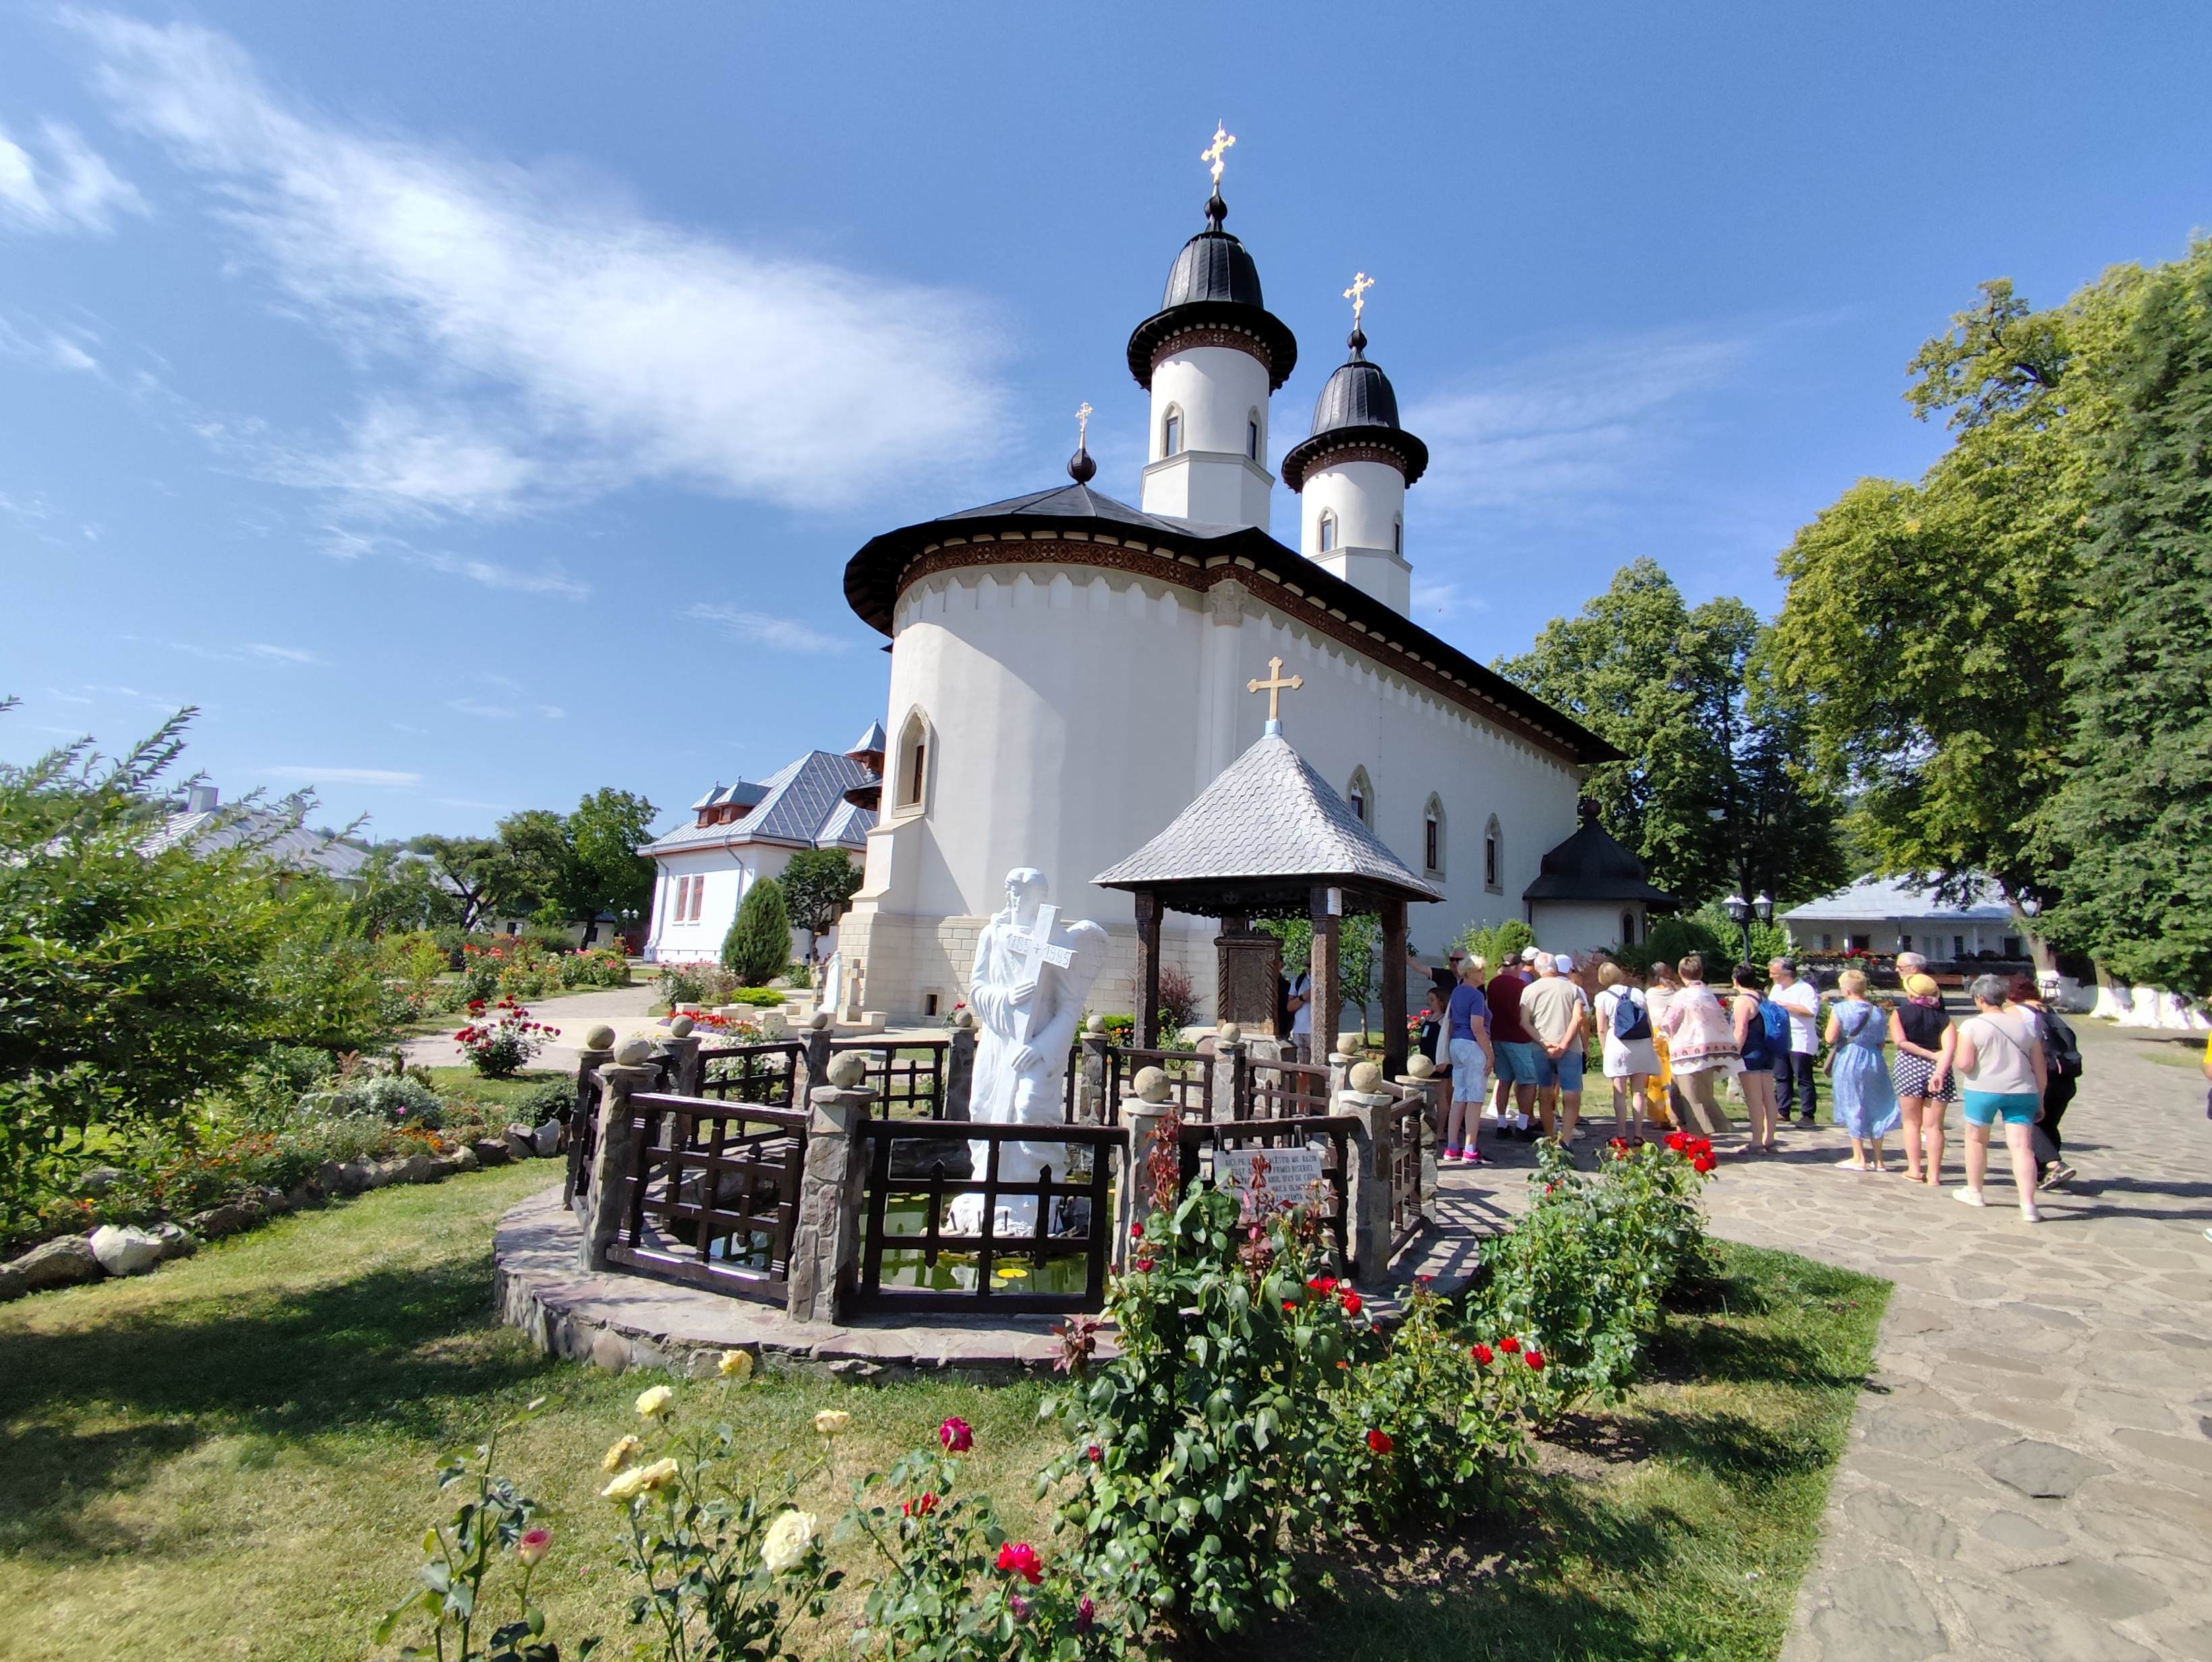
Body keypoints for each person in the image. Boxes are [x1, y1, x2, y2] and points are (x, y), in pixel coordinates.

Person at [1952, 972, 2046, 1222]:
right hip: (2022, 1090)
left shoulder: (1972, 1026)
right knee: (2022, 1147)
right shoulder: (2026, 1027)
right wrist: (2041, 1098)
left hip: (1984, 1089)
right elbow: (2040, 1068)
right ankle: (2028, 1205)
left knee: (1976, 1140)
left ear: (1981, 999)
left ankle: (1975, 1190)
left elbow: (1964, 1063)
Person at [2006, 975, 2080, 1188]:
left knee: (2029, 1122)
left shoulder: (2019, 1012)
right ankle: (2042, 1173)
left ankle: (2054, 1164)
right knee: (2049, 1125)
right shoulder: (2049, 1012)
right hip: (2066, 1076)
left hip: (2042, 1075)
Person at [1826, 968, 1899, 1172]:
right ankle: (1879, 1159)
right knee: (1876, 1104)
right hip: (1874, 1059)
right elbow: (1882, 1042)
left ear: (1847, 990)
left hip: (1850, 1057)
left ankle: (1859, 1156)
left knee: (1853, 1103)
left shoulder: (1840, 1009)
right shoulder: (1877, 1012)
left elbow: (1830, 1037)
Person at [1658, 954, 1739, 1138]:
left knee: (1691, 1099)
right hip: (1708, 1052)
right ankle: (1696, 1138)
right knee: (1702, 1095)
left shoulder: (1683, 996)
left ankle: (1699, 1141)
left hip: (1687, 1052)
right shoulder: (1707, 994)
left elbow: (1668, 1022)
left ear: (1680, 973)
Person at [1888, 972, 1956, 1186]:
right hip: (1938, 1070)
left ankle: (1914, 1169)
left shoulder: (1900, 1014)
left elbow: (1901, 1042)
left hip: (1909, 1066)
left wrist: (1927, 1054)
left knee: (1911, 1123)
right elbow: (1949, 1049)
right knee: (1934, 1126)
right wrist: (1939, 1070)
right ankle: (1934, 1175)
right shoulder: (1945, 1019)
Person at [1524, 951, 1590, 1145]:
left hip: (1541, 1048)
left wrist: (1544, 1042)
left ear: (1537, 969)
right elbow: (1579, 1018)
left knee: (1545, 1092)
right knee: (1571, 1093)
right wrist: (1564, 1044)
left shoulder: (1530, 990)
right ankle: (1567, 1139)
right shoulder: (1573, 989)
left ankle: (1550, 1136)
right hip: (1570, 1049)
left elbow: (1525, 1022)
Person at [1594, 962, 1658, 1143]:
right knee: (1638, 1092)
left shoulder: (1603, 997)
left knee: (1619, 1093)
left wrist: (1605, 1049)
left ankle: (1621, 1134)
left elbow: (1601, 1028)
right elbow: (1649, 1021)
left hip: (1618, 1042)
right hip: (1641, 1042)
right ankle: (1639, 1134)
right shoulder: (1637, 993)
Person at [1443, 957, 1497, 1166]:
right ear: (1470, 973)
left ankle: (1452, 1146)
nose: (1483, 974)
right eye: (1480, 971)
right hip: (1473, 1045)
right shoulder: (1475, 996)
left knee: (1460, 1096)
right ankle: (1470, 1148)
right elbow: (1477, 1027)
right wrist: (1490, 1054)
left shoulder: (1457, 992)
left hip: (1457, 1043)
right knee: (1475, 1099)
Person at [1484, 953, 1539, 1140]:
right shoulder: (1520, 987)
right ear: (1517, 967)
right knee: (1529, 1079)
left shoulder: (1493, 984)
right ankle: (1523, 1125)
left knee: (1503, 1079)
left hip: (1498, 1036)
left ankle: (1501, 1123)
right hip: (1518, 1038)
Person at [1730, 964, 1782, 1154]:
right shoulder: (1762, 997)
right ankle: (1770, 1139)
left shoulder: (1743, 1001)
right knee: (1768, 1096)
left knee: (1754, 1099)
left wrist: (1735, 1052)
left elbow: (1741, 1029)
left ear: (1735, 980)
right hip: (1767, 1051)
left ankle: (1756, 1141)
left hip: (1750, 1053)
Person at [1769, 957, 1822, 1124]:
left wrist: (1785, 1006)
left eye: (1774, 973)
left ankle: (1808, 1114)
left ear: (1786, 974)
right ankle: (1782, 1110)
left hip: (1800, 1038)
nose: (1772, 977)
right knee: (1782, 1076)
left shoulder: (1805, 989)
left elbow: (1810, 1011)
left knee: (1803, 1077)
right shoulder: (1776, 989)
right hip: (1781, 1038)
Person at [1646, 959, 1683, 1130]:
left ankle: (1659, 1117)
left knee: (1656, 1077)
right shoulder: (1677, 992)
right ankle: (1675, 1114)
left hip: (1655, 1036)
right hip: (1673, 1035)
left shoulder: (1650, 994)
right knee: (1673, 1076)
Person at [1285, 967, 1311, 1063]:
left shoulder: (1327, 981)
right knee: (1302, 1068)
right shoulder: (1298, 981)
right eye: (1309, 965)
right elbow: (1290, 1007)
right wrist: (1302, 998)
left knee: (1321, 1068)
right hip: (1300, 1032)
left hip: (1320, 1033)